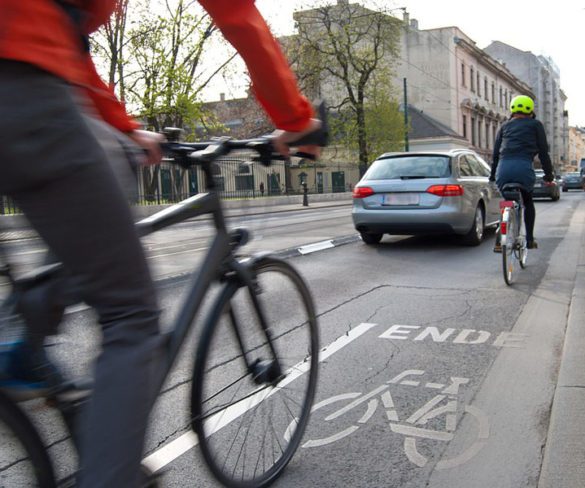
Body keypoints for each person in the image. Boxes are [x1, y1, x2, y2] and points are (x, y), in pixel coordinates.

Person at [0, 0, 322, 486]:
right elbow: (238, 15)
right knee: (131, 314)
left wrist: (125, 127)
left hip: (33, 81)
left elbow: (65, 43)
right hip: (22, 89)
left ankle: (27, 341)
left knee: (111, 159)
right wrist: (296, 119)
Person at [490, 94, 554, 250]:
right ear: (530, 110)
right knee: (528, 202)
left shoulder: (504, 126)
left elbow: (496, 154)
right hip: (523, 168)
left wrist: (492, 175)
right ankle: (530, 240)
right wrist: (548, 175)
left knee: (506, 202)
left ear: (512, 110)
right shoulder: (535, 125)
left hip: (503, 170)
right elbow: (543, 152)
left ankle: (500, 238)